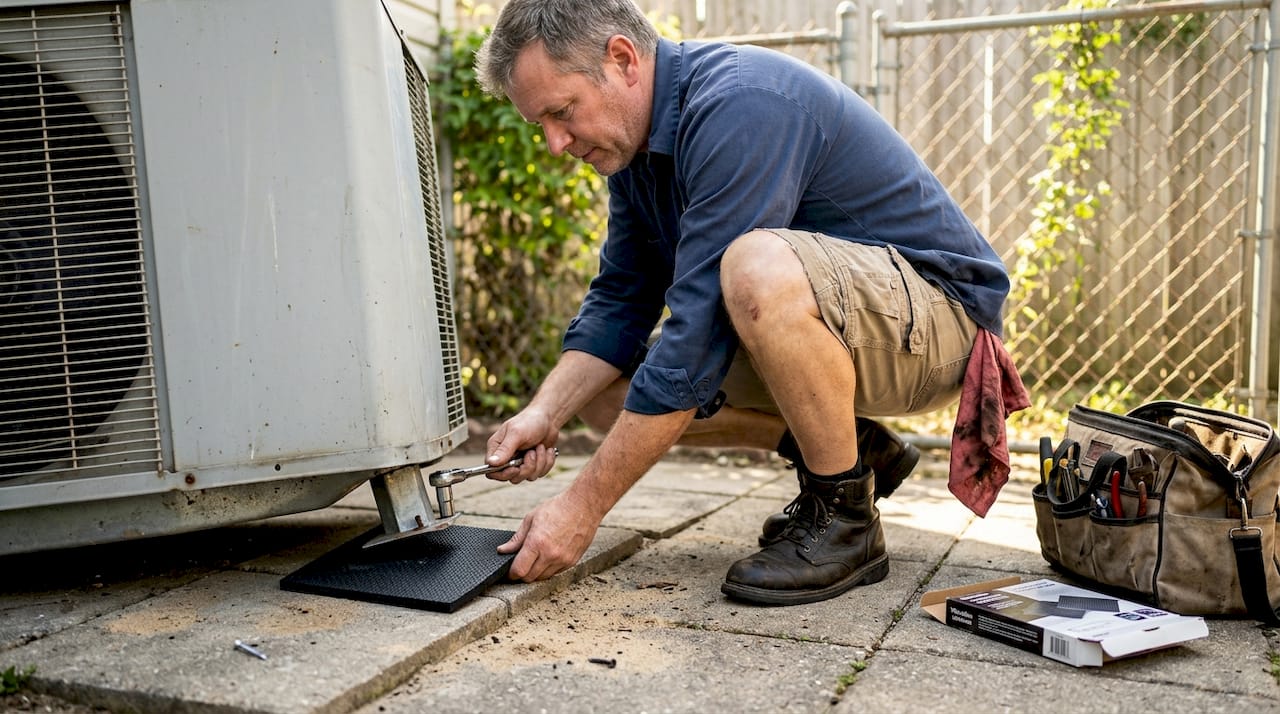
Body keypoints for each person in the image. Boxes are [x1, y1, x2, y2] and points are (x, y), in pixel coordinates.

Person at [471, 0, 1028, 606]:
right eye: (541, 125)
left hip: (943, 322)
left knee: (754, 267)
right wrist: (543, 414)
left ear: (622, 59)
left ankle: (844, 520)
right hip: (852, 326)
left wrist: (582, 508)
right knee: (612, 393)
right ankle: (856, 448)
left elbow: (699, 332)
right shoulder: (634, 154)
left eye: (561, 112)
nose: (555, 143)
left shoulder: (741, 103)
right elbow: (620, 301)